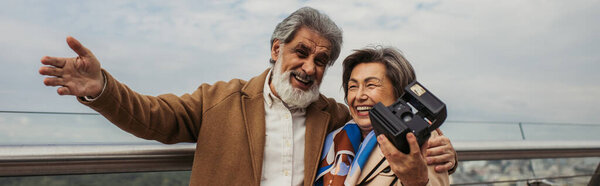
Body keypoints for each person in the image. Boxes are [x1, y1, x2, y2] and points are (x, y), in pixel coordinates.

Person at [39, 7, 456, 186]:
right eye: (301, 52)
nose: (310, 67)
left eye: (322, 60)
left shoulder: (333, 116)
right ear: (276, 50)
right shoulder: (220, 100)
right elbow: (153, 116)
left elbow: (389, 125)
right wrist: (102, 90)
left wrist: (440, 148)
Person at [315, 46, 449, 185]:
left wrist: (416, 182)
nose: (359, 96)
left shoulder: (421, 139)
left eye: (371, 85)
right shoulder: (333, 138)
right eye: (353, 87)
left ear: (399, 93)